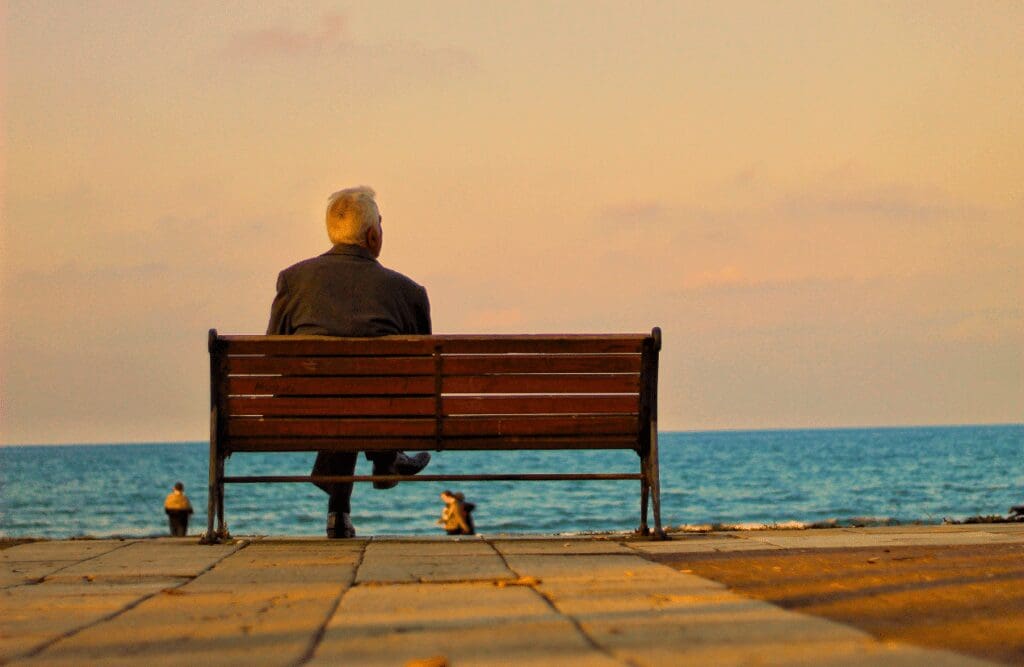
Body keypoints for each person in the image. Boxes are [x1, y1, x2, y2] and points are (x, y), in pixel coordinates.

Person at [267, 186, 432, 539]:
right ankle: (387, 456)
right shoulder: (408, 292)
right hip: (377, 414)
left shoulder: (293, 281)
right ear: (373, 236)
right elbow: (421, 375)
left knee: (341, 395)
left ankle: (339, 514)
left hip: (304, 411)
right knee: (362, 395)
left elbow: (273, 354)